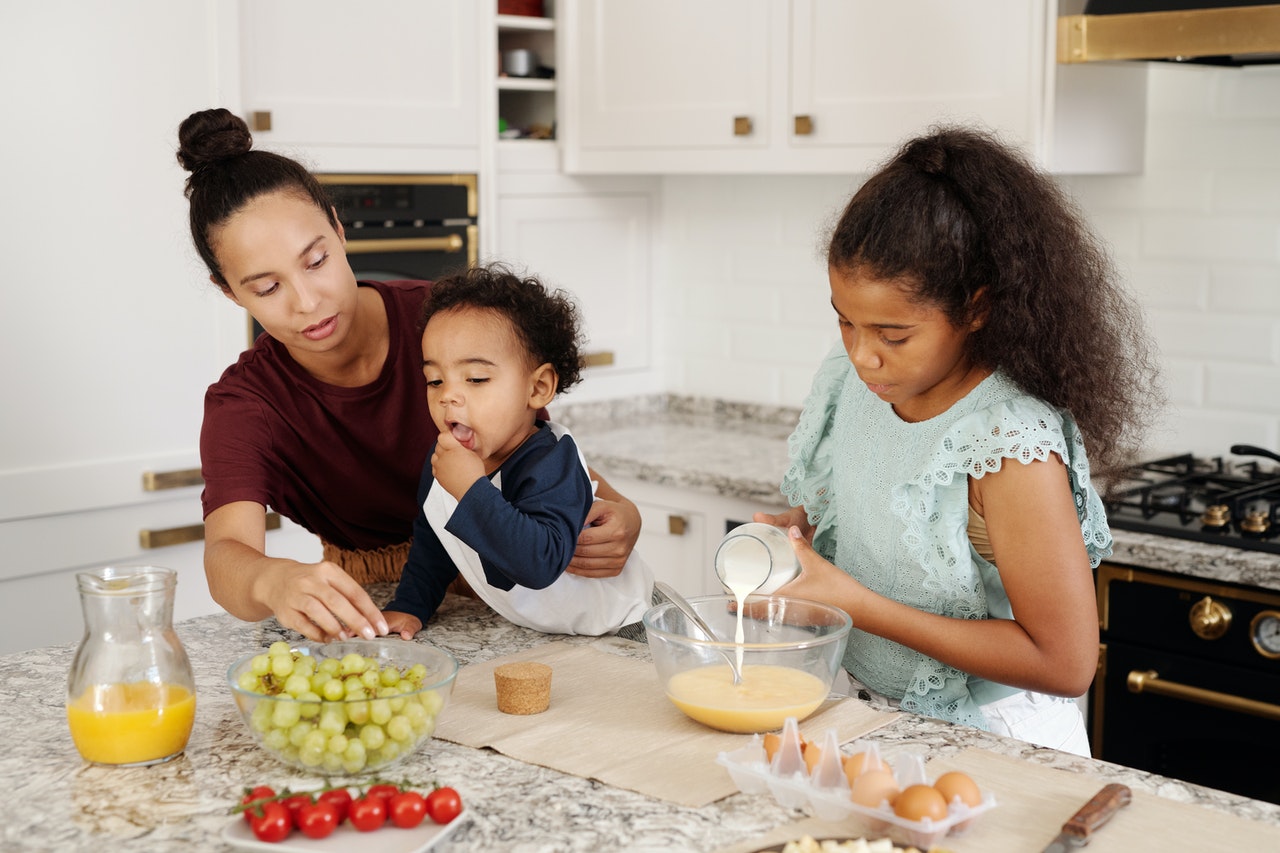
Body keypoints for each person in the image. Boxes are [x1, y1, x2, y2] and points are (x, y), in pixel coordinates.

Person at [756, 126, 1161, 755]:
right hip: (871, 715)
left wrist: (854, 603)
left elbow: (1064, 663)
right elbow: (884, 510)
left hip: (994, 744)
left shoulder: (1006, 442)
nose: (863, 356)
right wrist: (803, 538)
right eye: (844, 321)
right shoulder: (856, 383)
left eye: (893, 335)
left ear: (976, 308)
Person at [177, 108, 642, 644]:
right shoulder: (247, 404)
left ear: (338, 227)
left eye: (316, 260)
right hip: (386, 607)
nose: (308, 302)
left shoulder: (441, 321)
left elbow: (531, 446)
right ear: (229, 291)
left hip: (515, 586)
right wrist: (271, 578)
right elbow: (226, 560)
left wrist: (622, 508)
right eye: (266, 289)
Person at [382, 265, 654, 638]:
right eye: (435, 379)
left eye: (476, 378)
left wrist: (470, 490)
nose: (448, 395)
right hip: (547, 635)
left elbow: (538, 563)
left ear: (538, 388)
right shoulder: (445, 463)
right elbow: (435, 540)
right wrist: (409, 607)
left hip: (626, 626)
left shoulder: (554, 463)